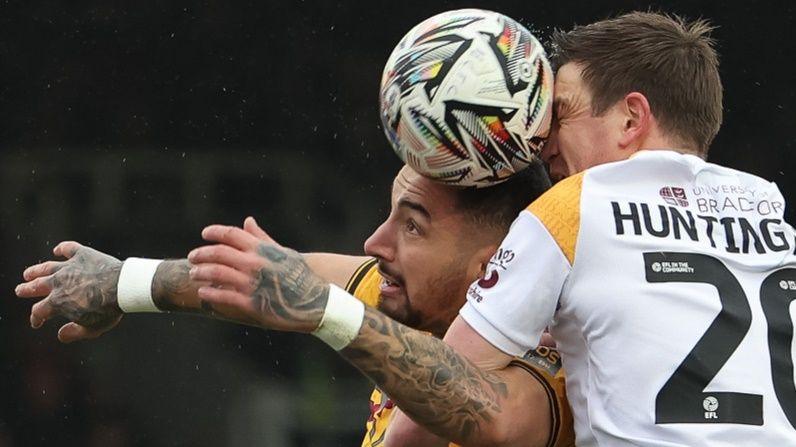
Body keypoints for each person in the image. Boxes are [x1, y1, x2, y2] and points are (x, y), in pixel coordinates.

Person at [124, 11, 794, 446]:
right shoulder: (769, 211)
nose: (540, 140)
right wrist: (130, 281)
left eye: (558, 113)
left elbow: (459, 394)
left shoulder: (574, 210)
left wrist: (325, 316)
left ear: (631, 117)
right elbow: (287, 272)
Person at [16, 162, 575, 446]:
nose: (375, 244)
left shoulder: (555, 373)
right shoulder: (408, 301)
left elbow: (486, 411)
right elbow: (259, 281)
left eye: (412, 225)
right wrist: (123, 283)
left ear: (493, 268)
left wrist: (323, 312)